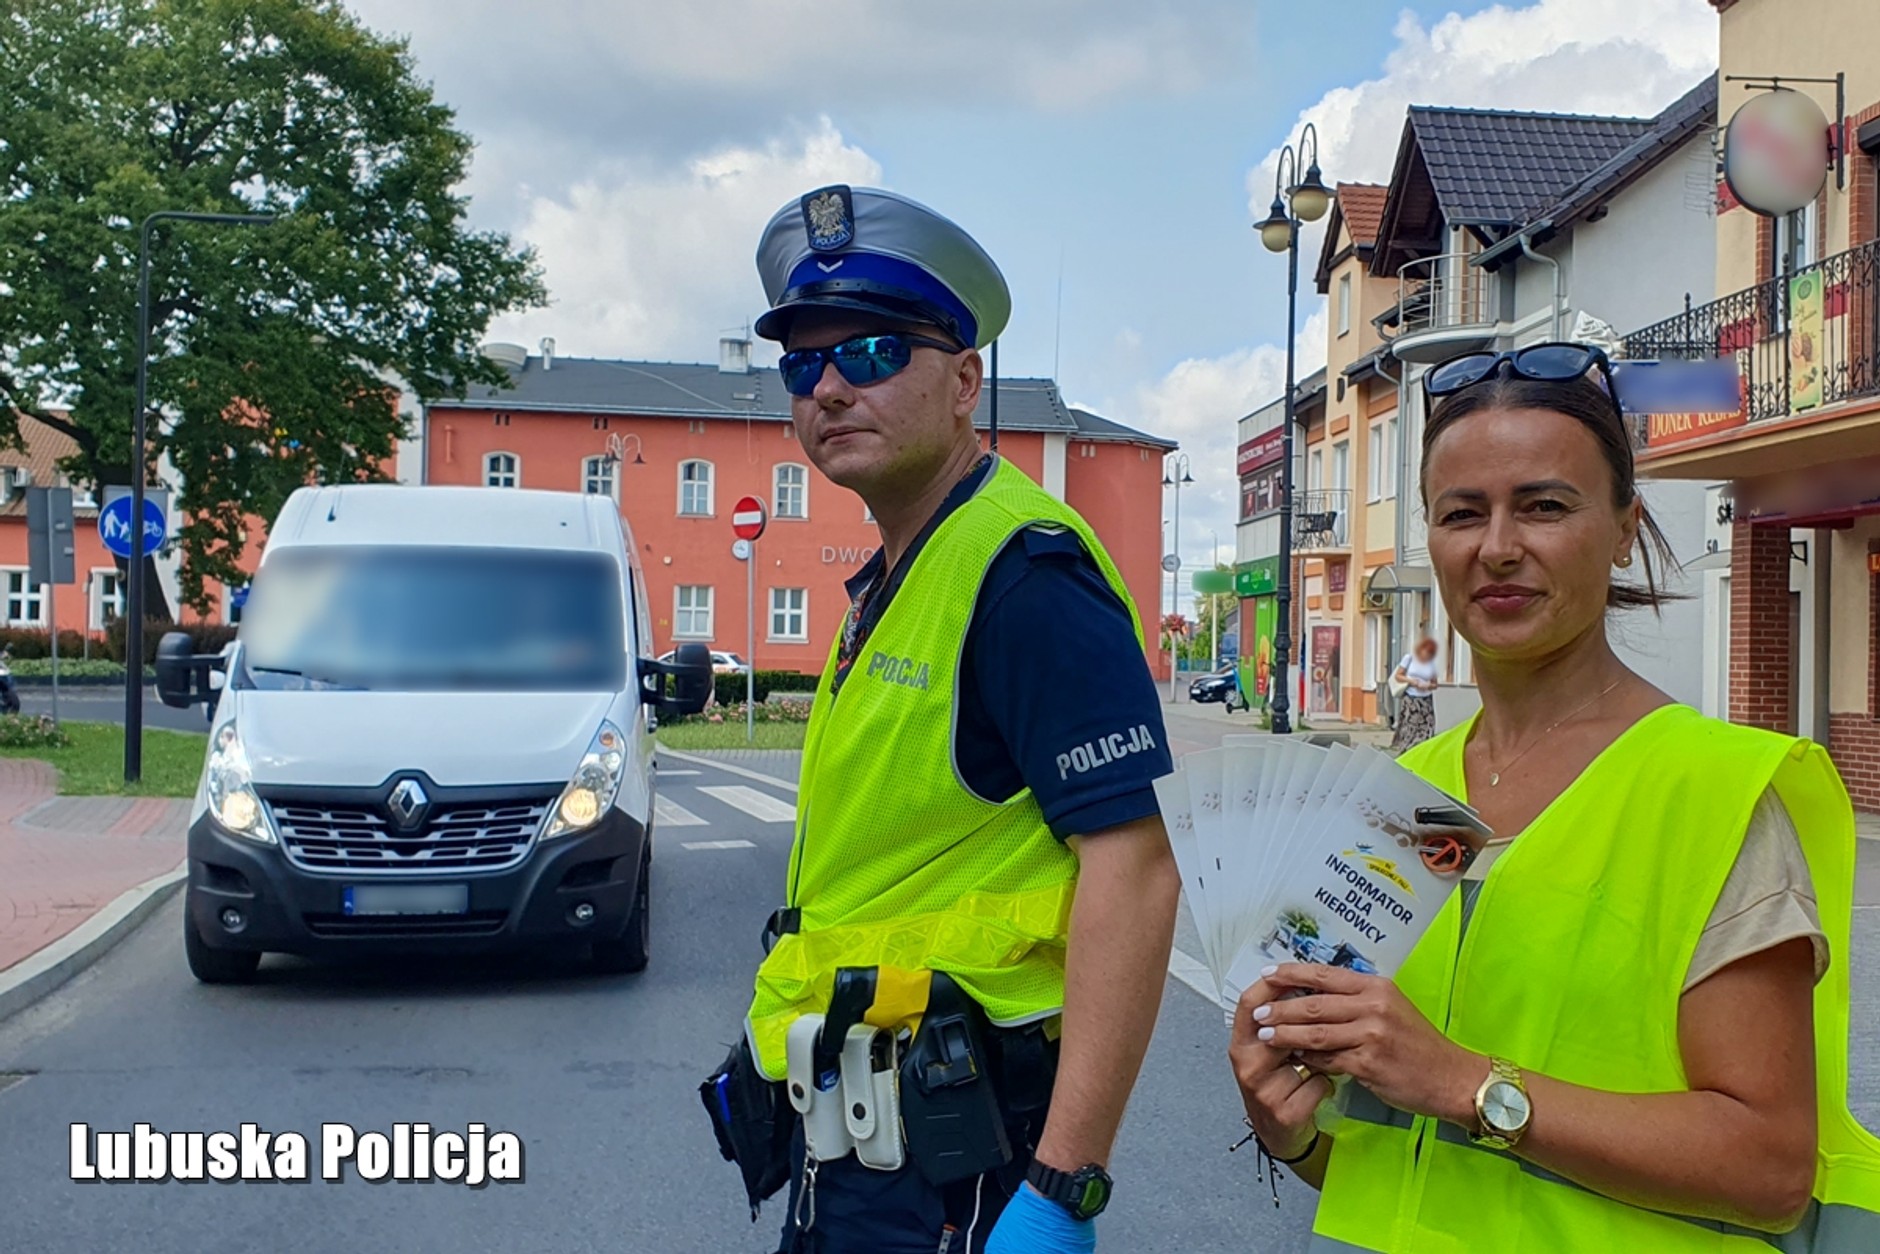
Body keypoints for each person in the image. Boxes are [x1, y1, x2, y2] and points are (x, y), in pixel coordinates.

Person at [1227, 342, 1880, 1250]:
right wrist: (1287, 1126)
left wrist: (1463, 1082)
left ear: (1622, 529)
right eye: (1462, 514)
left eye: (1544, 506)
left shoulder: (1711, 790)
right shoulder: (1398, 797)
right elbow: (1381, 1159)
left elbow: (1769, 1171)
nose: (1498, 549)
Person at [717, 185, 1182, 1254]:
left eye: (873, 353)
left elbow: (1135, 865)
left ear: (966, 380)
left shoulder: (1021, 575)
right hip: (861, 1139)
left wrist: (1064, 1188)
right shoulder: (898, 573)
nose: (829, 387)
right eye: (803, 365)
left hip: (956, 1161)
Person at [1387, 637, 1440, 752]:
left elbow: (1435, 684)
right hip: (1411, 698)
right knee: (1410, 726)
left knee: (1427, 727)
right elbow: (1398, 675)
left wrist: (1427, 686)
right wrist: (1411, 681)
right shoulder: (1409, 658)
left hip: (1426, 699)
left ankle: (1423, 750)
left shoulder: (1431, 663)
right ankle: (1406, 750)